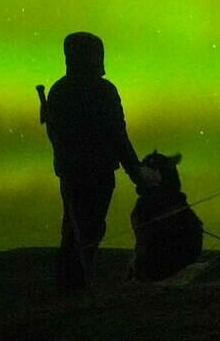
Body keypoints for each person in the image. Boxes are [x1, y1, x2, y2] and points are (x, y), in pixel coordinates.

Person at [42, 31, 159, 289]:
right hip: (95, 173)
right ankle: (73, 285)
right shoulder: (103, 91)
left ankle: (70, 285)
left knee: (75, 229)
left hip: (72, 172)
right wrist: (136, 172)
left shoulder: (60, 90)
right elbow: (117, 135)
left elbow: (56, 134)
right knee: (87, 229)